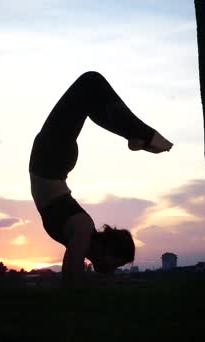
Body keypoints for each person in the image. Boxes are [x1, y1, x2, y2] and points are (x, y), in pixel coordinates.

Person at [29, 71, 173, 285]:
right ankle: (143, 135)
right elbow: (74, 281)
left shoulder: (80, 234)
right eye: (116, 263)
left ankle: (138, 136)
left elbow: (69, 278)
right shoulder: (83, 227)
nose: (113, 270)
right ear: (108, 249)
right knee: (89, 83)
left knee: (88, 91)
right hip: (50, 160)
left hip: (50, 160)